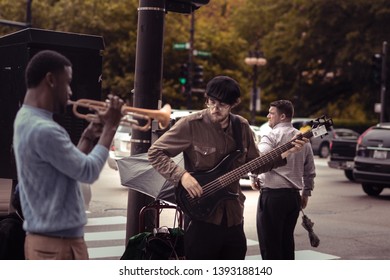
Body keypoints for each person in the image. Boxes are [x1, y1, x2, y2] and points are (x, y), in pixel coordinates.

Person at [148, 76, 308, 260]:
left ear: (234, 103)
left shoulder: (241, 126)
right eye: (212, 102)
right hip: (202, 217)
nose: (215, 108)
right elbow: (155, 152)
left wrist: (286, 152)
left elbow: (255, 164)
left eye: (222, 104)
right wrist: (182, 176)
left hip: (233, 216)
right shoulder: (190, 125)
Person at [12, 50, 124, 260]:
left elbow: (69, 170)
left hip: (49, 242)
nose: (70, 92)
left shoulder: (26, 118)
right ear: (51, 80)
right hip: (58, 246)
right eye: (68, 83)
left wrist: (89, 137)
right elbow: (87, 172)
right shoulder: (44, 129)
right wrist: (111, 127)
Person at [253, 99, 316, 260]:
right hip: (293, 199)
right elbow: (309, 171)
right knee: (287, 243)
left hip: (272, 198)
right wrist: (305, 194)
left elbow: (260, 159)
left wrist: (254, 176)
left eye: (271, 113)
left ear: (282, 117)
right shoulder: (303, 139)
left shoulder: (271, 135)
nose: (268, 116)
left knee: (270, 246)